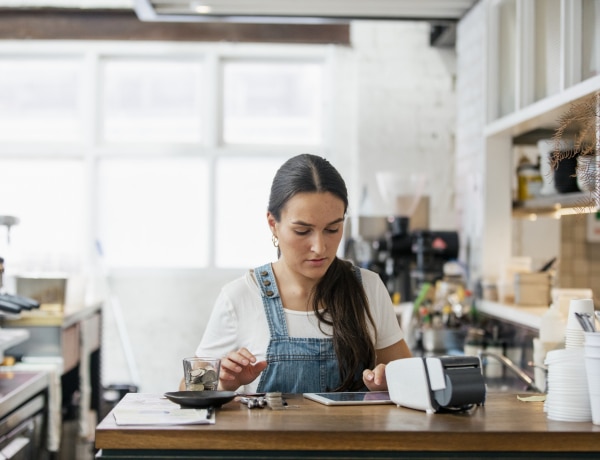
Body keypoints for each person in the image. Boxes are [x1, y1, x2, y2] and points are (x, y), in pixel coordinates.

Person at [194, 153, 411, 394]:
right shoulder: (240, 296)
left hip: (353, 434)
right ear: (272, 223)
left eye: (332, 229)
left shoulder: (368, 288)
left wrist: (390, 382)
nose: (319, 247)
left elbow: (411, 380)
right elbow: (190, 388)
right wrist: (222, 383)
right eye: (302, 230)